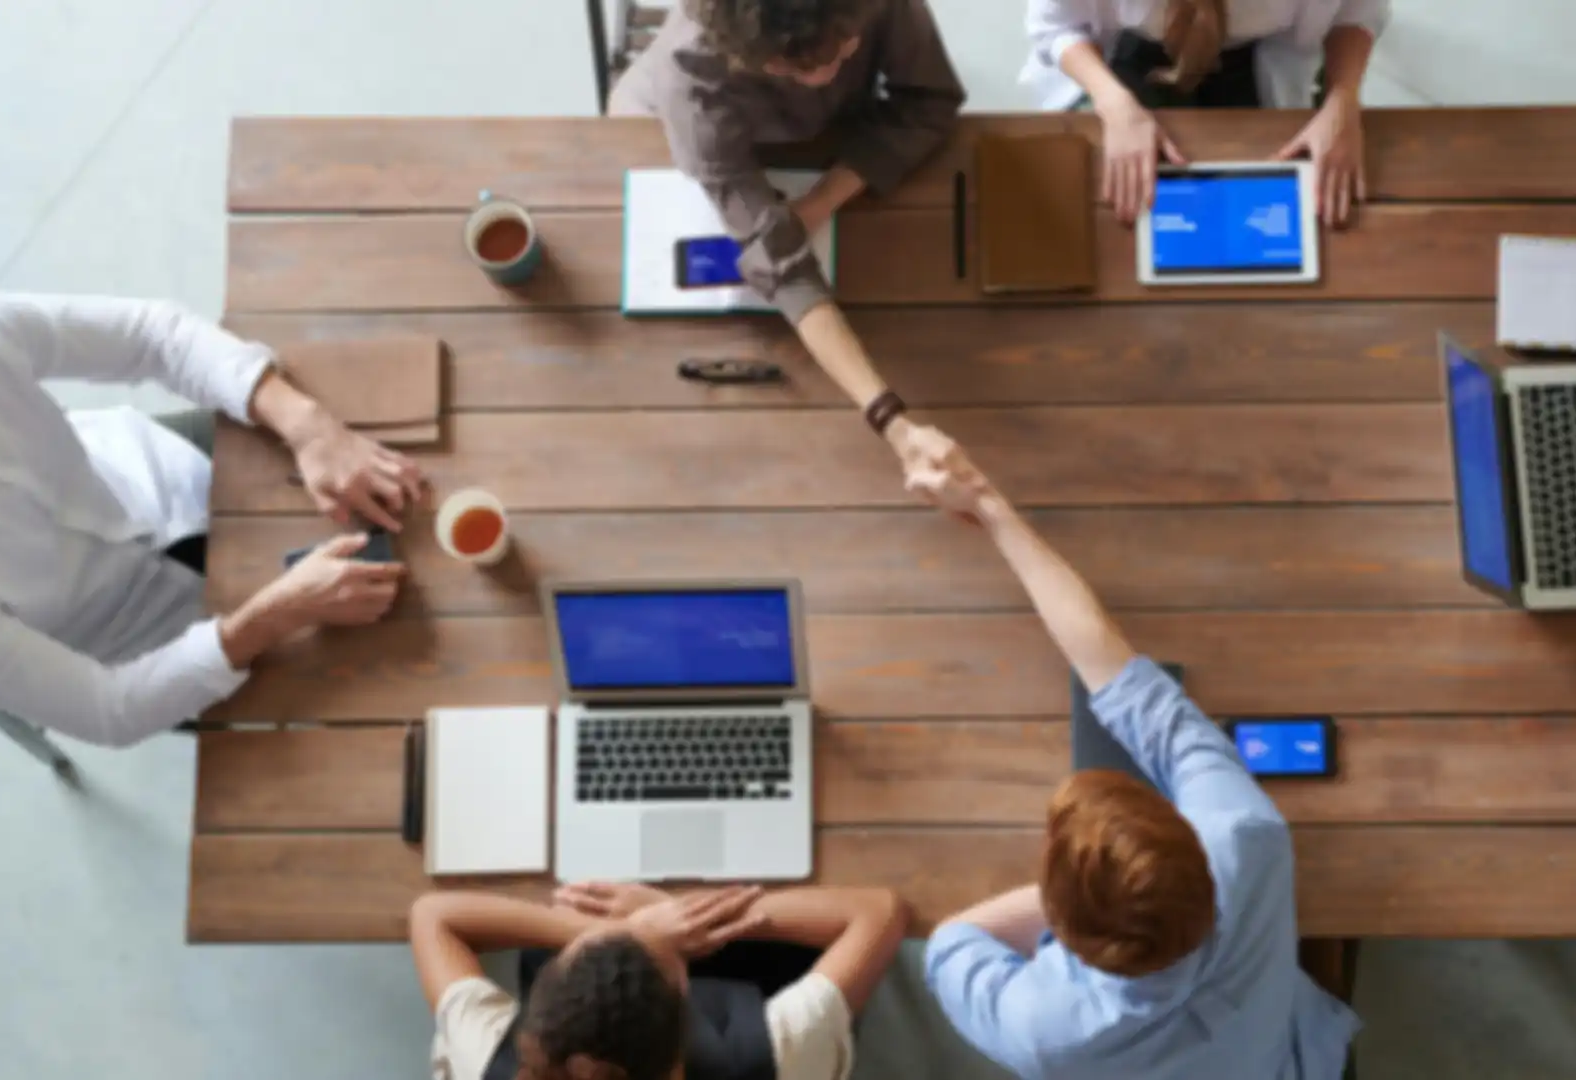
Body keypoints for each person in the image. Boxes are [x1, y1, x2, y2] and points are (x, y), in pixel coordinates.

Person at [910, 449, 1358, 1079]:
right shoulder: (1245, 838)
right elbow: (1136, 693)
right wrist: (988, 506)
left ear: (1056, 925)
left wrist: (990, 506)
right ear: (1192, 846)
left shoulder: (1044, 1031)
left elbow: (949, 945)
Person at [0, 292, 425, 748]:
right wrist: (276, 615)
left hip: (165, 470)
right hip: (154, 643)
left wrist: (308, 428)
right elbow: (105, 709)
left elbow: (151, 336)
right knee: (370, 708)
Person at [609, 0, 968, 485]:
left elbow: (930, 101)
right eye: (799, 66)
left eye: (844, 52)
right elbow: (780, 262)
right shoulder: (691, 77)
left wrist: (821, 202)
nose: (825, 74)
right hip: (667, 131)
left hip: (821, 140)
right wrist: (892, 422)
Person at [411, 881, 909, 1080]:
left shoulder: (483, 1055)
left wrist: (635, 932)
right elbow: (880, 911)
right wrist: (670, 913)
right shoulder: (785, 1053)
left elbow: (434, 915)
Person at [1022, 0, 1389, 226]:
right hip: (1129, 51)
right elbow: (1056, 25)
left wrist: (1343, 99)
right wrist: (1114, 103)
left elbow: (1357, 10)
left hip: (1255, 54)